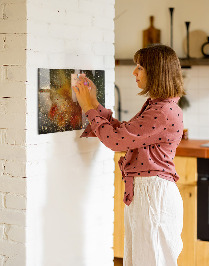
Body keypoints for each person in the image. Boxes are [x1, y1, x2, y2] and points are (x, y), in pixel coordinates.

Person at [73, 44, 185, 266]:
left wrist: (88, 107)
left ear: (156, 72)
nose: (134, 72)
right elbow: (124, 133)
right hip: (148, 193)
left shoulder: (162, 111)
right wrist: (94, 103)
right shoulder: (158, 106)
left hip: (153, 195)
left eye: (140, 67)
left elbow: (116, 141)